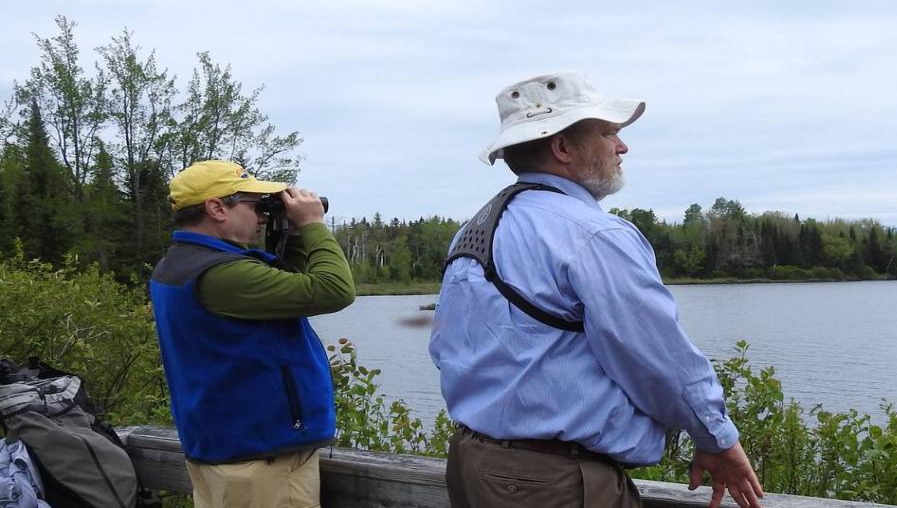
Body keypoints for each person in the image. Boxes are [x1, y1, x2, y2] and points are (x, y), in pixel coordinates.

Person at [429, 72, 764, 508]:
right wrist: (716, 438)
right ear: (562, 148)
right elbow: (659, 358)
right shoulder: (593, 235)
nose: (622, 147)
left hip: (474, 463)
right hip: (552, 483)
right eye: (609, 133)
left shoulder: (475, 231)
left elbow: (444, 348)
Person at [149, 160, 355, 508]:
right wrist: (313, 225)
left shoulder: (181, 263)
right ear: (216, 207)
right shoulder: (223, 274)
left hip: (226, 451)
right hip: (261, 463)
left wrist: (288, 232)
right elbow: (334, 289)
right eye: (254, 204)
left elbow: (286, 286)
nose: (262, 215)